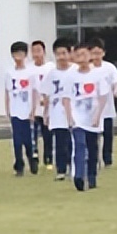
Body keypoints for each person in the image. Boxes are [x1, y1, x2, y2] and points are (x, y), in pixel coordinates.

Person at [65, 42, 108, 192]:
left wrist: (98, 115)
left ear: (89, 55)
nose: (81, 57)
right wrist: (69, 117)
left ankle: (92, 177)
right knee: (79, 145)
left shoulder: (98, 75)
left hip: (93, 118)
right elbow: (66, 98)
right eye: (78, 55)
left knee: (92, 148)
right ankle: (79, 176)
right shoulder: (71, 76)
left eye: (84, 54)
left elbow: (103, 97)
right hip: (78, 117)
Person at [40, 37, 77, 182]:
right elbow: (46, 94)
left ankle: (74, 167)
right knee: (60, 142)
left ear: (70, 53)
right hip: (56, 112)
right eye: (58, 54)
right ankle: (61, 170)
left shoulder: (76, 71)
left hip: (74, 112)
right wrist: (46, 113)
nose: (61, 57)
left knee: (72, 141)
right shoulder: (52, 74)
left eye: (64, 53)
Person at [3, 40, 39, 176]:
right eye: (15, 53)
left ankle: (32, 159)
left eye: (21, 53)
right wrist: (7, 109)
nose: (18, 56)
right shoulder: (9, 73)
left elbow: (35, 92)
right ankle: (19, 165)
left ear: (25, 55)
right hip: (15, 111)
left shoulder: (31, 72)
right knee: (17, 141)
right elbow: (7, 92)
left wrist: (33, 110)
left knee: (28, 140)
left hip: (27, 110)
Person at [89, 37, 117, 168]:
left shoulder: (109, 67)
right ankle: (94, 158)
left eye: (99, 53)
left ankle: (107, 159)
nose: (96, 56)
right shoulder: (88, 68)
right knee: (93, 135)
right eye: (94, 53)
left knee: (108, 135)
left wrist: (116, 91)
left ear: (103, 53)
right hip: (92, 109)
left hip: (107, 108)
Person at [29, 40, 54, 169]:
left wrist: (48, 99)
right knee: (32, 134)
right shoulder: (29, 69)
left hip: (48, 107)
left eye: (38, 50)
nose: (36, 54)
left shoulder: (51, 67)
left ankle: (48, 158)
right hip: (34, 107)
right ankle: (34, 157)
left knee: (47, 134)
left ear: (44, 52)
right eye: (33, 51)